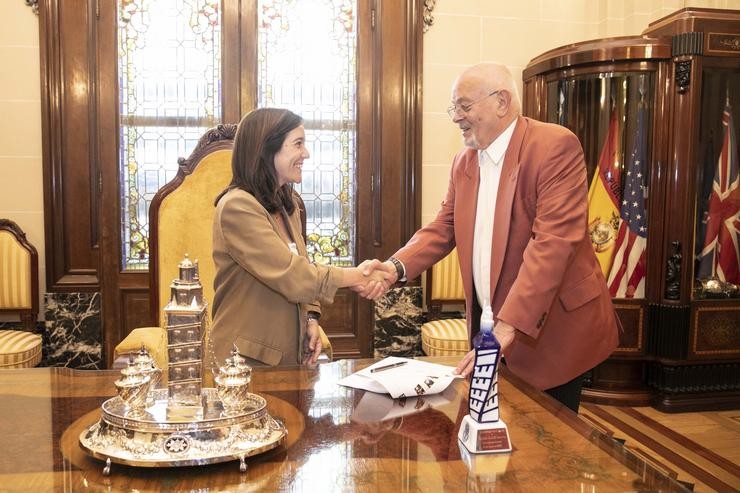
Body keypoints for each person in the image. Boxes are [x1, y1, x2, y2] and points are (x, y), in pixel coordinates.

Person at [361, 63, 620, 412]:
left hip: (551, 331)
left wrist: (507, 328)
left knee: (549, 441)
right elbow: (444, 226)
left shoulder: (554, 146)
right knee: (491, 433)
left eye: (464, 106)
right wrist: (395, 267)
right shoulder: (463, 161)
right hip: (490, 327)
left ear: (501, 101)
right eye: (454, 108)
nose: (456, 117)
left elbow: (553, 244)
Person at [211, 108, 390, 367]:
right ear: (267, 149)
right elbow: (294, 275)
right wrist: (359, 276)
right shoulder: (237, 207)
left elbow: (301, 264)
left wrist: (311, 318)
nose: (305, 153)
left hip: (287, 355)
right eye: (298, 144)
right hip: (244, 363)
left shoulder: (287, 203)